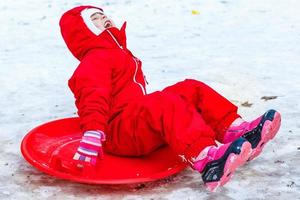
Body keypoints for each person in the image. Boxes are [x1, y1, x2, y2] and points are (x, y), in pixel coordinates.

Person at [59, 6, 281, 191]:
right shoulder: (95, 59)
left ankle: (237, 131)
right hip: (118, 132)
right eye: (94, 19)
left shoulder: (119, 54)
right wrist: (93, 131)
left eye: (103, 14)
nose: (104, 19)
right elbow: (92, 97)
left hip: (134, 122)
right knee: (161, 102)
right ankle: (208, 161)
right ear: (83, 32)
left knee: (189, 89)